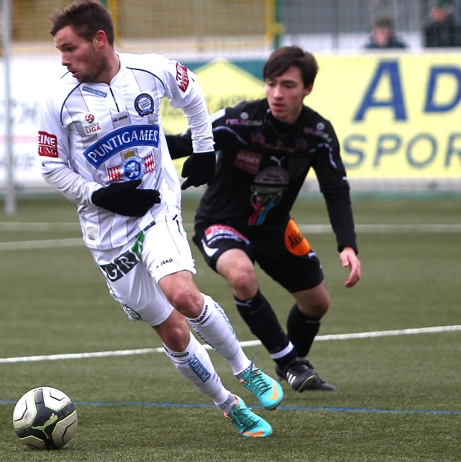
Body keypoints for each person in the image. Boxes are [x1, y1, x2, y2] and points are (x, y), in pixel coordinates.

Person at [37, 0, 283, 438]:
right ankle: (229, 404)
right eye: (59, 50)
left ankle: (246, 369)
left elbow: (193, 95)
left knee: (184, 296)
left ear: (100, 39)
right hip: (105, 231)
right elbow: (51, 166)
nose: (63, 59)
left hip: (156, 206)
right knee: (171, 331)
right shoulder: (58, 98)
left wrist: (205, 150)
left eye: (69, 48)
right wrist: (100, 195)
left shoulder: (151, 70)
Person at [166, 45, 362, 393]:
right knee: (242, 276)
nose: (277, 93)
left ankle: (291, 363)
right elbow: (181, 144)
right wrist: (128, 143)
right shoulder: (240, 119)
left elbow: (336, 189)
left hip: (275, 226)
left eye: (288, 85)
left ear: (307, 89)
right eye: (271, 83)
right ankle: (290, 364)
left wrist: (347, 244)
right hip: (220, 222)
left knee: (317, 302)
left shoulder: (318, 133)